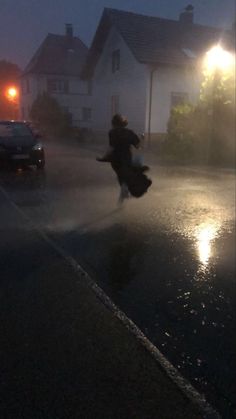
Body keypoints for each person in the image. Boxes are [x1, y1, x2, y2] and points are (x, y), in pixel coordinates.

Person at [97, 114, 152, 203]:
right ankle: (126, 188)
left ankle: (124, 189)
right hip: (126, 159)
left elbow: (111, 148)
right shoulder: (130, 133)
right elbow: (138, 146)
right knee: (136, 164)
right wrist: (142, 138)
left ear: (113, 123)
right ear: (124, 123)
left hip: (115, 161)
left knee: (121, 175)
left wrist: (104, 157)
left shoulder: (112, 132)